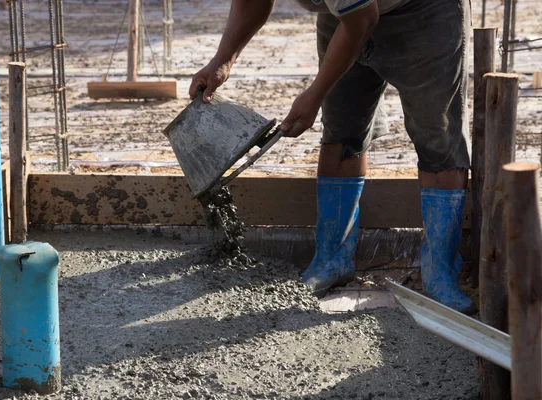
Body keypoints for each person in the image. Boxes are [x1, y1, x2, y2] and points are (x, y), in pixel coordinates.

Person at [189, 0, 475, 314]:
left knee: (438, 134)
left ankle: (439, 273)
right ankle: (331, 259)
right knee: (342, 128)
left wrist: (315, 93)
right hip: (344, 13)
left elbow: (362, 20)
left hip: (423, 12)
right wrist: (223, 59)